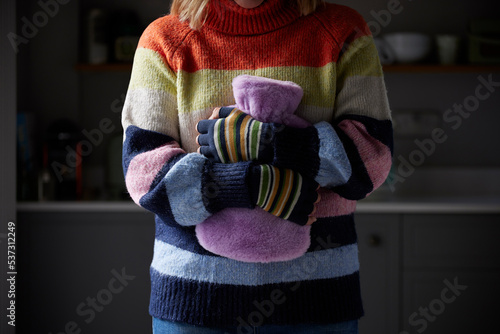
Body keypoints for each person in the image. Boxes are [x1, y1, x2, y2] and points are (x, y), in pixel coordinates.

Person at [121, 0, 393, 333]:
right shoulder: (164, 39)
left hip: (317, 300)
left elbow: (372, 158)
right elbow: (144, 173)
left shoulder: (342, 32)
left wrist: (269, 143)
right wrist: (249, 185)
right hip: (194, 303)